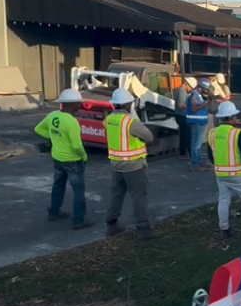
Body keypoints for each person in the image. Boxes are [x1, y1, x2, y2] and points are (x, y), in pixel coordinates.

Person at [33, 89, 92, 230]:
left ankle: (54, 212)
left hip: (57, 159)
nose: (80, 105)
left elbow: (38, 129)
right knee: (78, 190)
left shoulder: (53, 115)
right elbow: (77, 145)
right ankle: (78, 220)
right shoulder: (72, 122)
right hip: (73, 161)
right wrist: (84, 156)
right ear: (71, 105)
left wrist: (53, 138)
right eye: (78, 103)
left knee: (58, 185)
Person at [104, 88, 157, 240]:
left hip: (116, 163)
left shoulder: (109, 120)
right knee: (138, 196)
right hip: (133, 165)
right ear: (127, 105)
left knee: (117, 194)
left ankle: (111, 223)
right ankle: (143, 228)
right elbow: (149, 136)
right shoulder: (130, 122)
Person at [210, 101, 241, 238]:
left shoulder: (212, 133)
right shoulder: (238, 133)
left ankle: (224, 229)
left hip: (220, 173)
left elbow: (210, 154)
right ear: (231, 118)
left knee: (224, 199)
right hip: (239, 173)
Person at [186, 78, 213, 170]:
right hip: (196, 122)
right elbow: (194, 109)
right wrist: (204, 104)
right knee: (196, 144)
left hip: (200, 122)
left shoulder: (199, 95)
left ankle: (199, 161)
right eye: (206, 89)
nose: (207, 91)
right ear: (202, 87)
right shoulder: (194, 95)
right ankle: (195, 164)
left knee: (198, 143)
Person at [173, 78, 192, 158]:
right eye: (190, 87)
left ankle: (183, 152)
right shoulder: (182, 91)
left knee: (183, 134)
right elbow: (181, 104)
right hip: (182, 115)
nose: (190, 89)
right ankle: (189, 152)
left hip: (179, 115)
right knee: (187, 135)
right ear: (187, 84)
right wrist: (191, 106)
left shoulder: (180, 91)